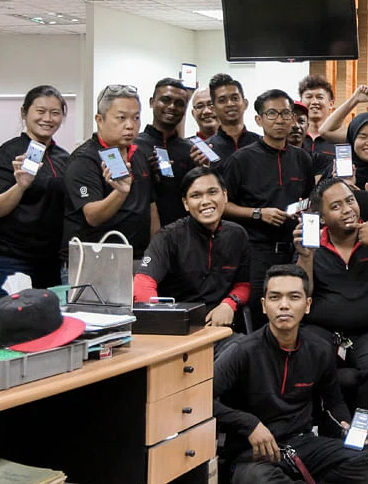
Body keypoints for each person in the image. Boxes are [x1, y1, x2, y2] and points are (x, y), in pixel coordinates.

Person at [214, 263, 368, 484]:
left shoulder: (319, 349)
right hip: (255, 453)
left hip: (303, 445)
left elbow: (333, 402)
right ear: (264, 305)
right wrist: (249, 424)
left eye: (294, 297)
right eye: (275, 297)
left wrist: (346, 426)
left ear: (307, 305)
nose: (284, 305)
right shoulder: (242, 351)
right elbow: (199, 402)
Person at [294, 177, 368, 450]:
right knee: (306, 358)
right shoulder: (312, 244)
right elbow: (301, 293)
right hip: (323, 331)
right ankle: (329, 445)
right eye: (336, 206)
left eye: (350, 200)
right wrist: (305, 256)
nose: (348, 209)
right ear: (321, 218)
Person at [223, 89, 313, 329]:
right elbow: (223, 205)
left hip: (294, 251)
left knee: (294, 316)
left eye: (286, 113)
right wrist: (257, 213)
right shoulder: (241, 159)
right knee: (259, 315)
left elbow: (309, 200)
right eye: (272, 113)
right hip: (256, 252)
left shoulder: (303, 158)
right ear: (259, 119)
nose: (280, 120)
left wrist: (301, 209)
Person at [133, 167, 251, 328]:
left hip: (220, 327)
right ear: (186, 203)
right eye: (196, 195)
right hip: (178, 327)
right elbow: (143, 283)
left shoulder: (238, 235)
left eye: (212, 192)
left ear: (224, 195)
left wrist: (229, 304)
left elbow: (243, 285)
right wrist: (162, 321)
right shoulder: (168, 237)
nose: (205, 201)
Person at [0, 85, 71, 296]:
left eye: (55, 113)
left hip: (52, 261)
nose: (47, 119)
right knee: (14, 314)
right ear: (25, 113)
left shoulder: (64, 158)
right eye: (40, 111)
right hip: (12, 258)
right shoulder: (7, 154)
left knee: (50, 315)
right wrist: (21, 186)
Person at [61, 84, 157, 260]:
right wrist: (120, 193)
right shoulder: (84, 159)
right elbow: (93, 216)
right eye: (121, 118)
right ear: (100, 119)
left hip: (137, 258)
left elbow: (150, 207)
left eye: (136, 118)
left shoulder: (139, 153)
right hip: (93, 261)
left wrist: (155, 253)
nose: (130, 125)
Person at [135, 78, 197, 226]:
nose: (172, 107)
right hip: (141, 230)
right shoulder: (134, 146)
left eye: (179, 103)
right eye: (165, 100)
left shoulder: (190, 150)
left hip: (182, 229)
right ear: (152, 102)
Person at [207, 73, 260, 163]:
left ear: (245, 103)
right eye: (222, 100)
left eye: (235, 98)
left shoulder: (261, 144)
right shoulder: (208, 150)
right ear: (213, 109)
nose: (230, 104)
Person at [299, 75, 337, 172]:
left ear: (331, 104)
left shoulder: (339, 139)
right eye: (309, 97)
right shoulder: (292, 137)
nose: (314, 102)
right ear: (301, 102)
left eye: (320, 97)